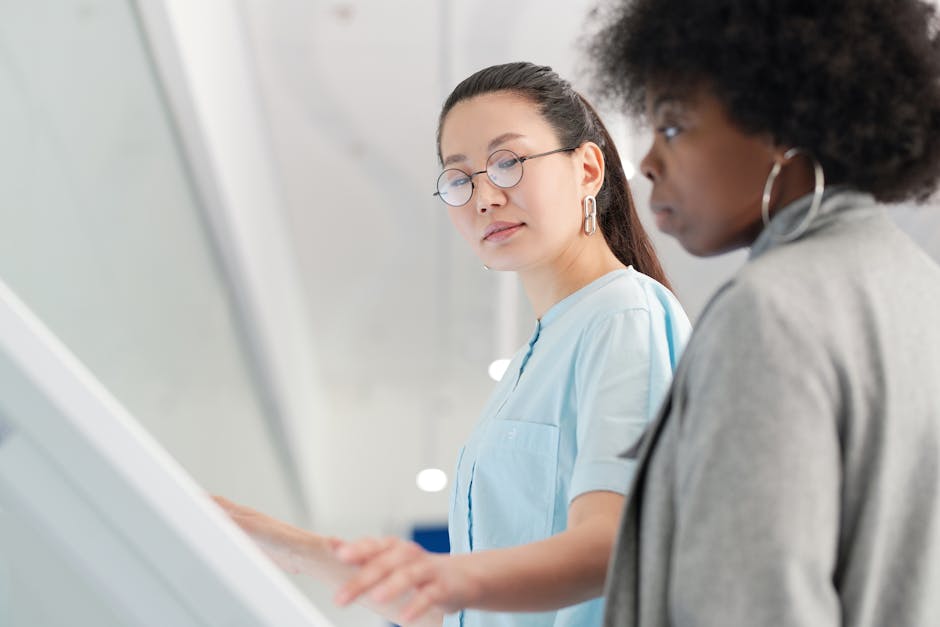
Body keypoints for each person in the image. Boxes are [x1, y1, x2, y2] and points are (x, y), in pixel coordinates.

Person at [218, 61, 691, 627]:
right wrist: (280, 543)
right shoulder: (531, 363)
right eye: (460, 178)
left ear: (588, 169)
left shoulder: (622, 314)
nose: (484, 197)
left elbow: (615, 543)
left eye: (508, 162)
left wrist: (445, 576)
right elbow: (465, 610)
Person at [585, 1, 940, 626]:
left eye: (671, 126)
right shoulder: (918, 289)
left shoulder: (770, 311)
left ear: (781, 122)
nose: (646, 162)